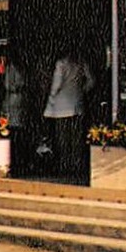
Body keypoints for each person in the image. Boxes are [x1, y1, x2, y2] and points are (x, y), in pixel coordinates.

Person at [42, 46, 95, 179]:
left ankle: (64, 167)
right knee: (76, 138)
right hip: (77, 104)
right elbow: (91, 81)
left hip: (61, 106)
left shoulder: (61, 63)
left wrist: (51, 98)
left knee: (63, 139)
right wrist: (81, 91)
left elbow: (56, 84)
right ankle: (76, 165)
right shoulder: (81, 63)